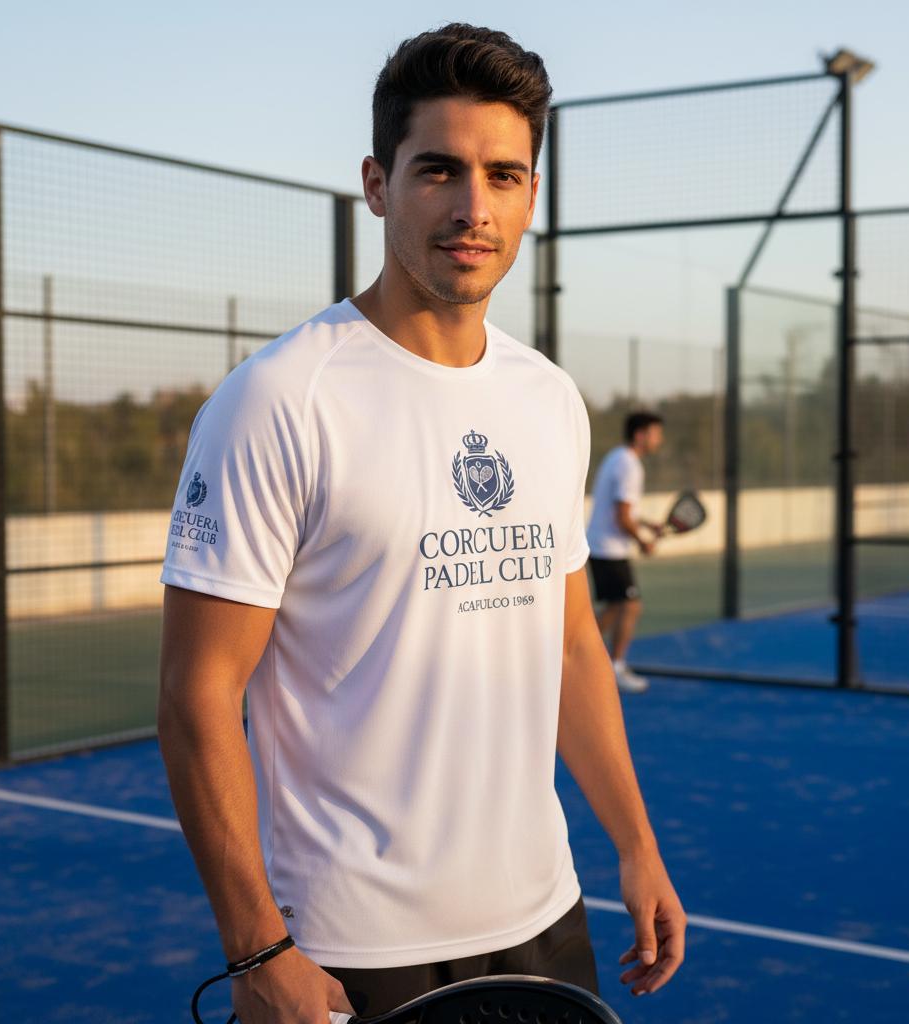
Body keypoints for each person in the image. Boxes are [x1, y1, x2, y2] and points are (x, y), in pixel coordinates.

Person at [157, 23, 685, 1024]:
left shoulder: (548, 398)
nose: (473, 207)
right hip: (347, 939)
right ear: (377, 181)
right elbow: (196, 695)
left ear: (532, 193)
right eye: (438, 169)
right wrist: (257, 946)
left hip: (542, 915)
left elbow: (571, 646)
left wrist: (634, 841)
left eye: (503, 175)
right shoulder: (278, 398)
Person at [586, 412, 666, 693]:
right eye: (656, 433)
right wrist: (643, 541)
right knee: (631, 605)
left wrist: (647, 524)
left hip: (601, 546)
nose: (660, 439)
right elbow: (622, 516)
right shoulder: (630, 466)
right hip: (609, 549)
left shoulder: (618, 457)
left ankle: (576, 657)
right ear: (640, 435)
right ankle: (615, 665)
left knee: (614, 605)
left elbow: (625, 509)